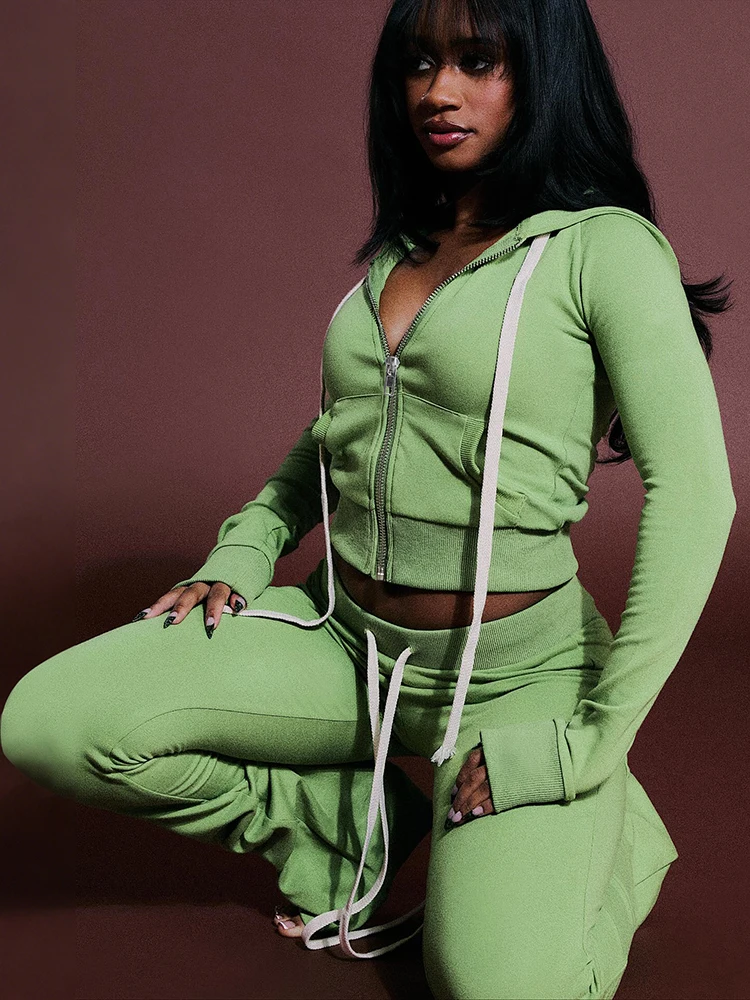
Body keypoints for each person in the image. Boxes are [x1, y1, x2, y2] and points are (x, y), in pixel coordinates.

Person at [1, 0, 737, 997]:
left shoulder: (603, 251)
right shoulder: (408, 246)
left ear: (546, 71)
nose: (439, 91)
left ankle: (610, 836)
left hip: (513, 680)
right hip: (347, 646)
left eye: (478, 61)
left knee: (494, 986)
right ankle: (355, 827)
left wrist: (590, 743)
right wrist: (245, 549)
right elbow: (334, 438)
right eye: (420, 63)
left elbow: (696, 497)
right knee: (49, 722)